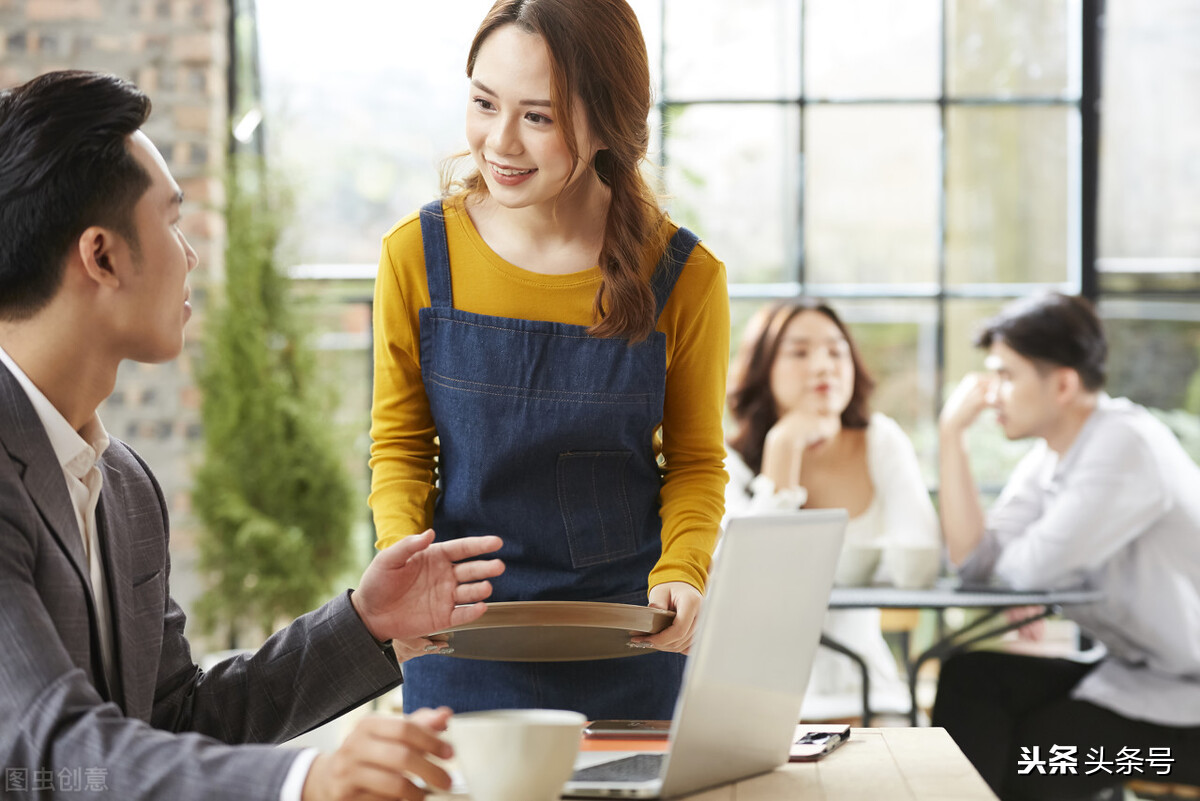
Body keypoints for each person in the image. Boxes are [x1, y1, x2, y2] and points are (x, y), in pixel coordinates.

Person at [0, 70, 507, 801]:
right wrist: (306, 779)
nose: (191, 255)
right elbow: (50, 748)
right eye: (171, 221)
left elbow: (179, 720)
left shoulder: (126, 489)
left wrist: (366, 622)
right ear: (102, 256)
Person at [369, 0, 730, 719]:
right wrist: (402, 569)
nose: (499, 141)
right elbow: (402, 446)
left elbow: (694, 461)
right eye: (483, 103)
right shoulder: (416, 255)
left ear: (607, 122)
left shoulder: (685, 276)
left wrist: (684, 571)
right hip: (456, 642)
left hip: (632, 647)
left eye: (538, 116)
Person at [935, 292, 1200, 799]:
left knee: (1042, 752)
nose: (992, 393)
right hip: (1138, 678)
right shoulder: (1050, 457)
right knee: (972, 678)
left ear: (1062, 384)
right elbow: (976, 564)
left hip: (1190, 708)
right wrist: (953, 436)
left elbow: (1026, 572)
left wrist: (1031, 576)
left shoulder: (1126, 446)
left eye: (1007, 375)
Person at [725, 299, 941, 719]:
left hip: (865, 688)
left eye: (836, 351)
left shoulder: (881, 441)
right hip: (755, 696)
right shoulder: (724, 461)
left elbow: (919, 561)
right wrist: (783, 451)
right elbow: (750, 585)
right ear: (763, 368)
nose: (824, 365)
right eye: (800, 352)